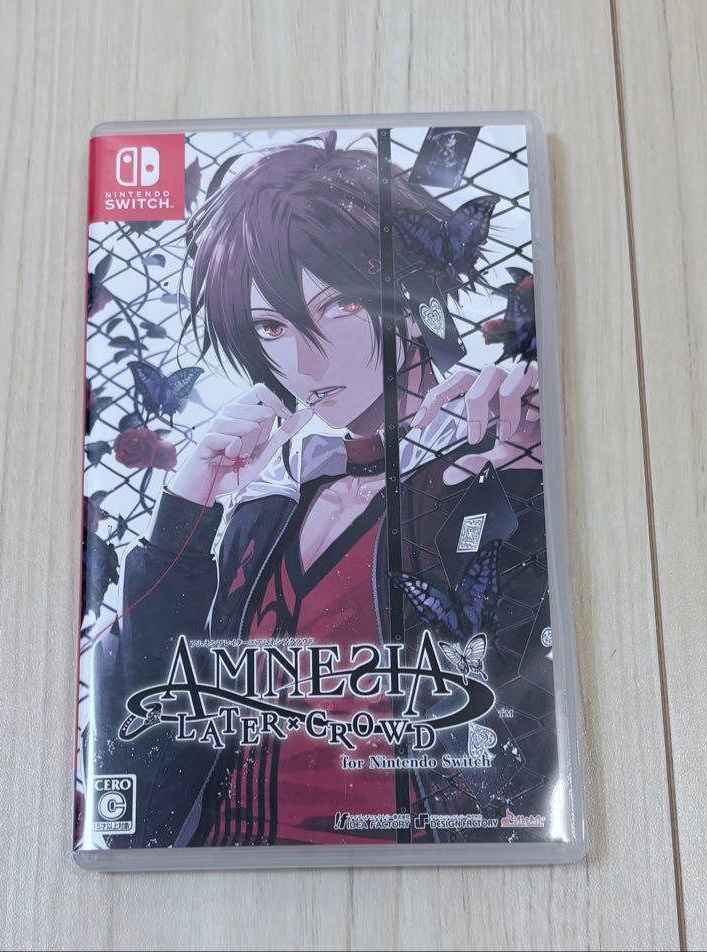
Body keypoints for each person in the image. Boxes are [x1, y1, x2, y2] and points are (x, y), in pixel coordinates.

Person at [91, 132, 554, 849]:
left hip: (416, 868)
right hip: (216, 869)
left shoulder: (489, 467)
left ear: (409, 294)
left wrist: (524, 477)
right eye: (271, 326)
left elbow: (520, 709)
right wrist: (186, 512)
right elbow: (143, 740)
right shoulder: (268, 499)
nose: (304, 362)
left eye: (338, 307)